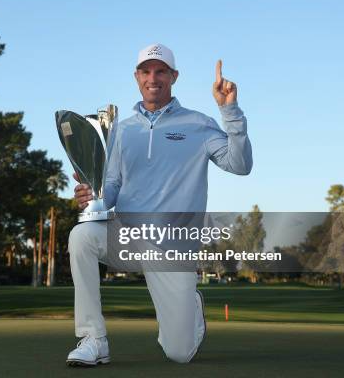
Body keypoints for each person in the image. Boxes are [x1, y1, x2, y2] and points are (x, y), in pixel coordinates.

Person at [66, 43, 253, 366]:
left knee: (178, 353)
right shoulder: (121, 131)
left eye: (161, 71)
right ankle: (93, 338)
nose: (153, 78)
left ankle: (189, 306)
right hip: (126, 235)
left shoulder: (198, 123)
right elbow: (111, 186)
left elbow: (240, 164)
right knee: (81, 237)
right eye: (146, 71)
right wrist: (93, 197)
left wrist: (230, 111)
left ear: (173, 76)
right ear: (137, 77)